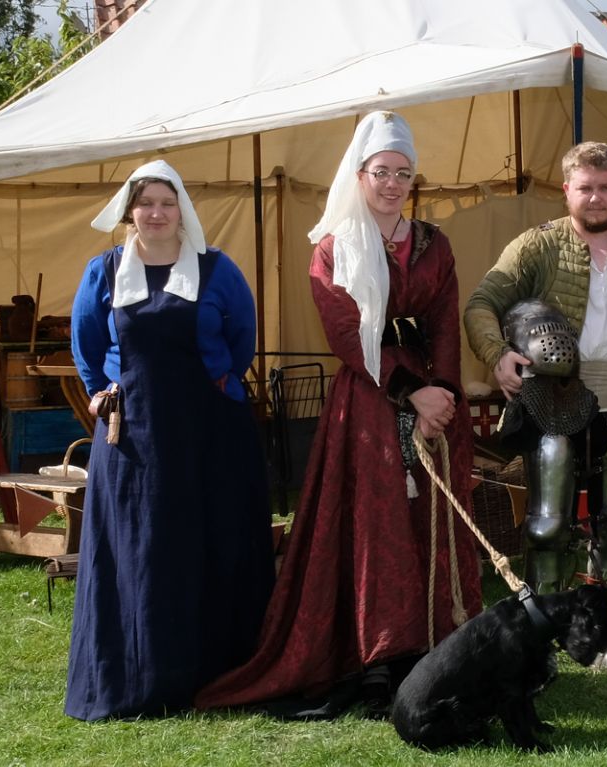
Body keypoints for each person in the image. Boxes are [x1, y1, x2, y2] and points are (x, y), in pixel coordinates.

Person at [197, 111, 480, 719]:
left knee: (427, 521)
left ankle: (433, 648)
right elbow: (346, 332)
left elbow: (445, 322)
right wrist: (411, 393)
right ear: (360, 175)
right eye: (382, 172)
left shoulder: (435, 244)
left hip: (433, 401)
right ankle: (377, 658)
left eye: (404, 173)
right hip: (371, 403)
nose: (393, 183)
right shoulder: (333, 249)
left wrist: (445, 394)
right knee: (376, 526)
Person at [463, 141, 607, 675]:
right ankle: (537, 646)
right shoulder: (535, 246)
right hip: (555, 398)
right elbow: (481, 303)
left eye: (605, 187)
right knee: (546, 526)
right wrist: (497, 356)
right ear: (567, 189)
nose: (595, 197)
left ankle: (602, 643)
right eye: (584, 187)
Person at [64, 160, 274, 720]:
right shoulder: (103, 272)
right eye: (145, 203)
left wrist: (220, 383)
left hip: (209, 434)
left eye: (166, 201)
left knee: (210, 542)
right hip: (132, 436)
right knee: (140, 548)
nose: (156, 213)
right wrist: (98, 388)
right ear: (129, 211)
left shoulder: (217, 269)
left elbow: (241, 337)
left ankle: (215, 673)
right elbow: (84, 343)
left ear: (182, 208)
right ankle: (139, 678)